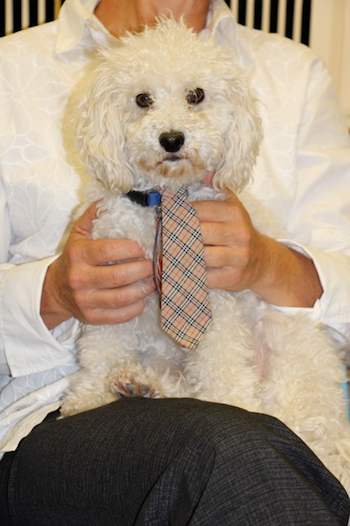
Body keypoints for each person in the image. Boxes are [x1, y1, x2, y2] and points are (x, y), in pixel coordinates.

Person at [0, 0, 349, 523]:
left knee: (252, 445)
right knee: (240, 451)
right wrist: (50, 296)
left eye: (194, 99)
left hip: (260, 404)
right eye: (142, 101)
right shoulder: (8, 70)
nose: (170, 126)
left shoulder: (296, 74)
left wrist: (267, 265)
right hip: (51, 429)